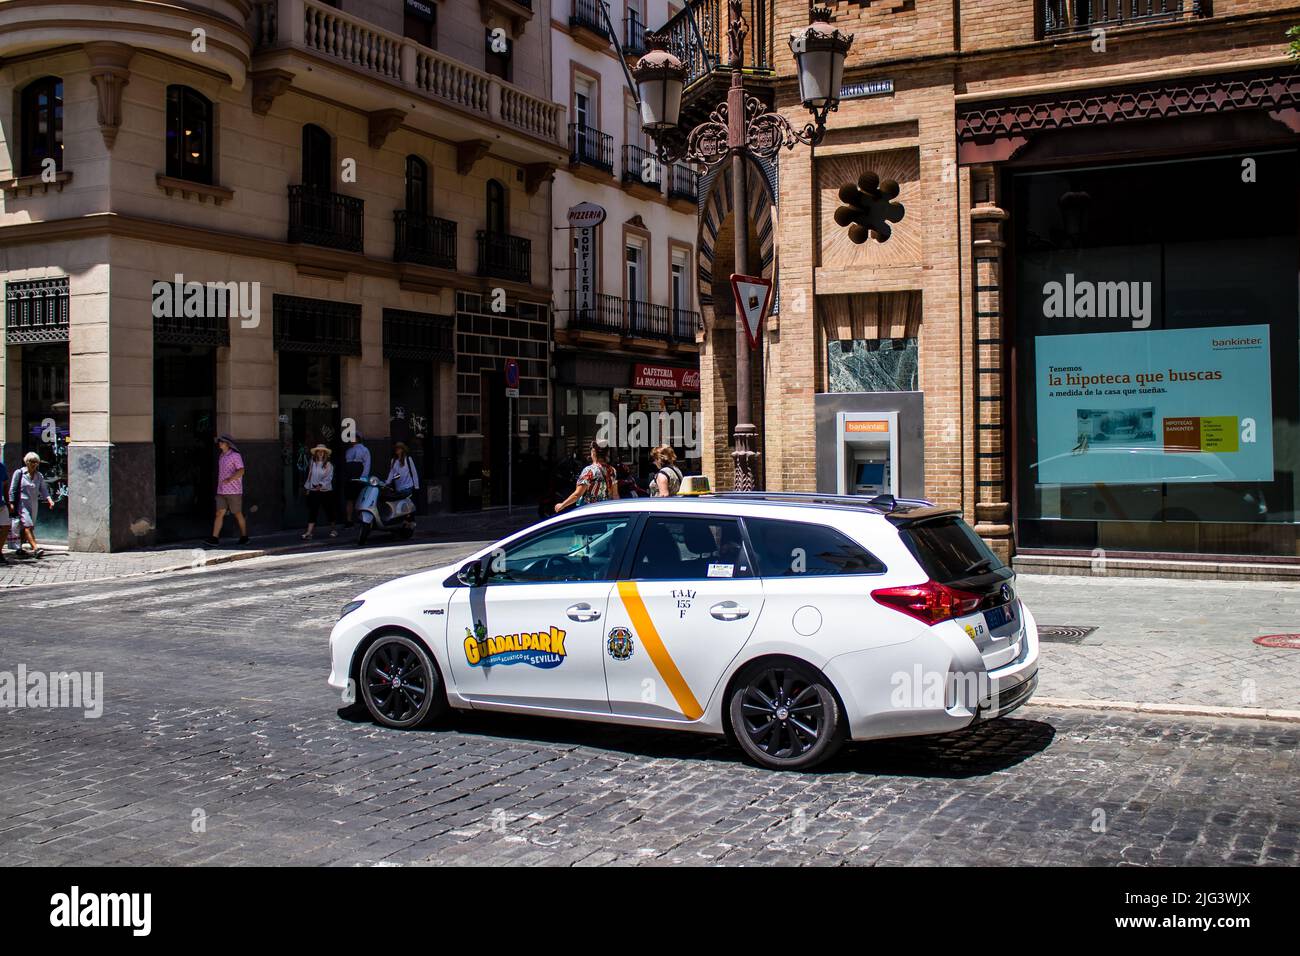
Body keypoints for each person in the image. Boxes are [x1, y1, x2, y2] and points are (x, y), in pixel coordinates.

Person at [9, 452, 55, 559]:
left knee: (27, 526)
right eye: (31, 462)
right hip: (21, 504)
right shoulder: (19, 473)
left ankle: (19, 548)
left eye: (36, 462)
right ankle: (35, 548)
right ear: (26, 462)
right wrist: (11, 503)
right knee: (28, 525)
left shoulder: (39, 476)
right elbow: (12, 489)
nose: (34, 464)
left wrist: (49, 500)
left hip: (33, 504)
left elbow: (43, 489)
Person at [207, 434, 249, 546]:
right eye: (219, 441)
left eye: (222, 441)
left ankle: (244, 536)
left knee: (237, 513)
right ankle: (214, 538)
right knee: (219, 513)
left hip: (234, 491)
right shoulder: (221, 456)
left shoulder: (235, 456)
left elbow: (241, 471)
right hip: (221, 490)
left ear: (228, 444)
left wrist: (230, 479)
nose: (219, 443)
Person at [555, 441, 619, 513]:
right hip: (605, 511)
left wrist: (562, 505)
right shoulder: (612, 470)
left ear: (593, 453)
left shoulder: (589, 471)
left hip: (590, 512)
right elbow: (615, 495)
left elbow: (578, 494)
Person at [301, 444, 338, 540]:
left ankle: (334, 530)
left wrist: (320, 485)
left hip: (326, 491)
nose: (320, 453)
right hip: (314, 490)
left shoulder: (328, 465)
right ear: (316, 453)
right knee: (313, 511)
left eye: (322, 451)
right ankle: (309, 533)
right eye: (319, 451)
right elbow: (310, 475)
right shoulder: (312, 463)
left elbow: (329, 477)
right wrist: (308, 487)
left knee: (329, 511)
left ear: (325, 453)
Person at [343, 435, 371, 528]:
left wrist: (363, 477)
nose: (351, 440)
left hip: (359, 474)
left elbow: (367, 463)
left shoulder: (364, 449)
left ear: (358, 439)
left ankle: (362, 519)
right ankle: (349, 520)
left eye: (353, 438)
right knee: (349, 499)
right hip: (349, 475)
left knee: (360, 498)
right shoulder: (348, 450)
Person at [0, 455, 8, 565]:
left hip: (1, 504)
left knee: (6, 525)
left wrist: (8, 501)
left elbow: (5, 485)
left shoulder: (1, 467)